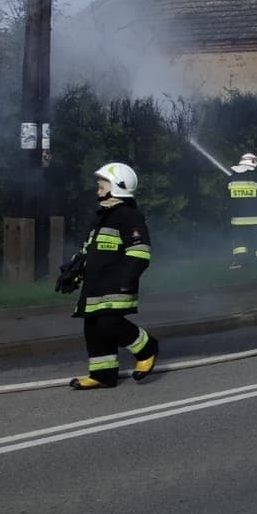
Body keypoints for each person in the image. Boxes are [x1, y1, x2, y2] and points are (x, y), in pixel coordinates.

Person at [57, 162, 159, 389]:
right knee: (93, 327)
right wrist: (74, 270)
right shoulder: (101, 218)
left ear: (117, 186)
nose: (98, 189)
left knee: (108, 324)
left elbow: (140, 253)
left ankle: (147, 348)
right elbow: (89, 250)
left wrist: (126, 280)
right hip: (95, 285)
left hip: (117, 284)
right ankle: (103, 374)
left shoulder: (129, 216)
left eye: (102, 185)